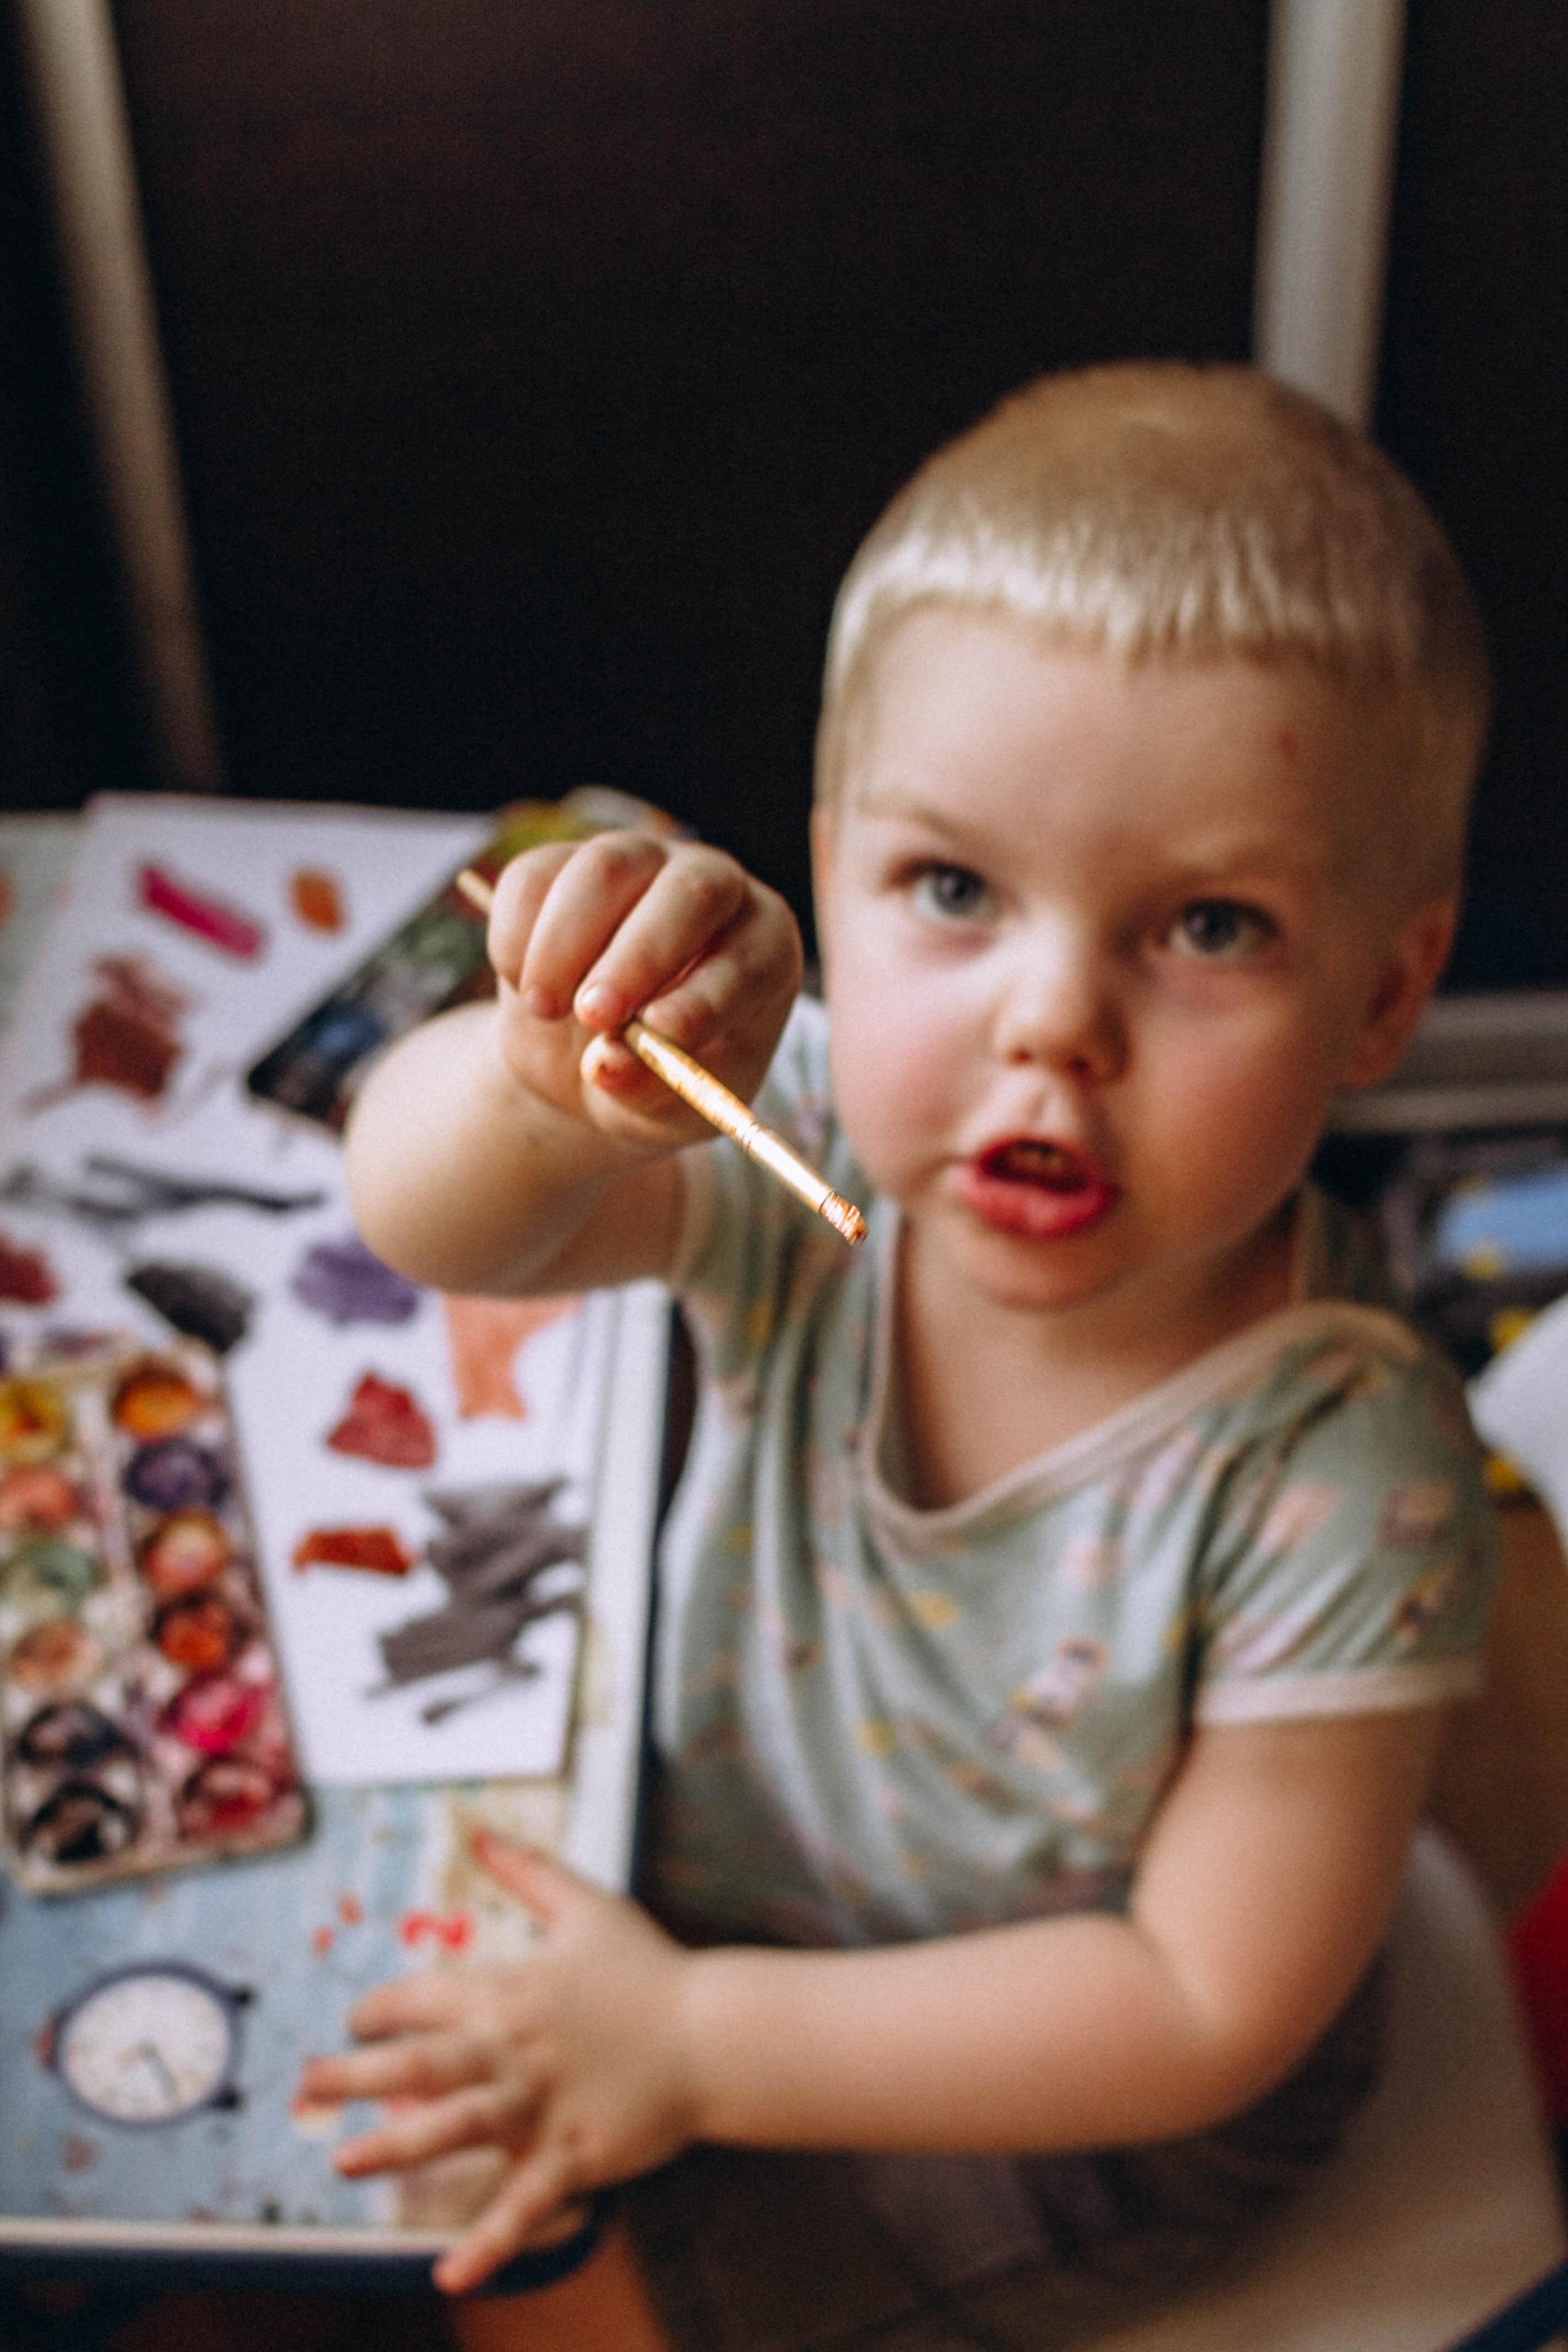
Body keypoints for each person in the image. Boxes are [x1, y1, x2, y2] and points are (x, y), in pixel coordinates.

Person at [298, 361, 1497, 2351]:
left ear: (1384, 994)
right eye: (953, 890)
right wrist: (543, 1087)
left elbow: (1199, 2008)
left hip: (1069, 2094)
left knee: (550, 2289)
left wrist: (690, 2043)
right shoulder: (819, 1152)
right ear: (832, 862)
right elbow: (423, 1220)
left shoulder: (1353, 1466)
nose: (1054, 1025)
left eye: (1207, 927)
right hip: (746, 1896)